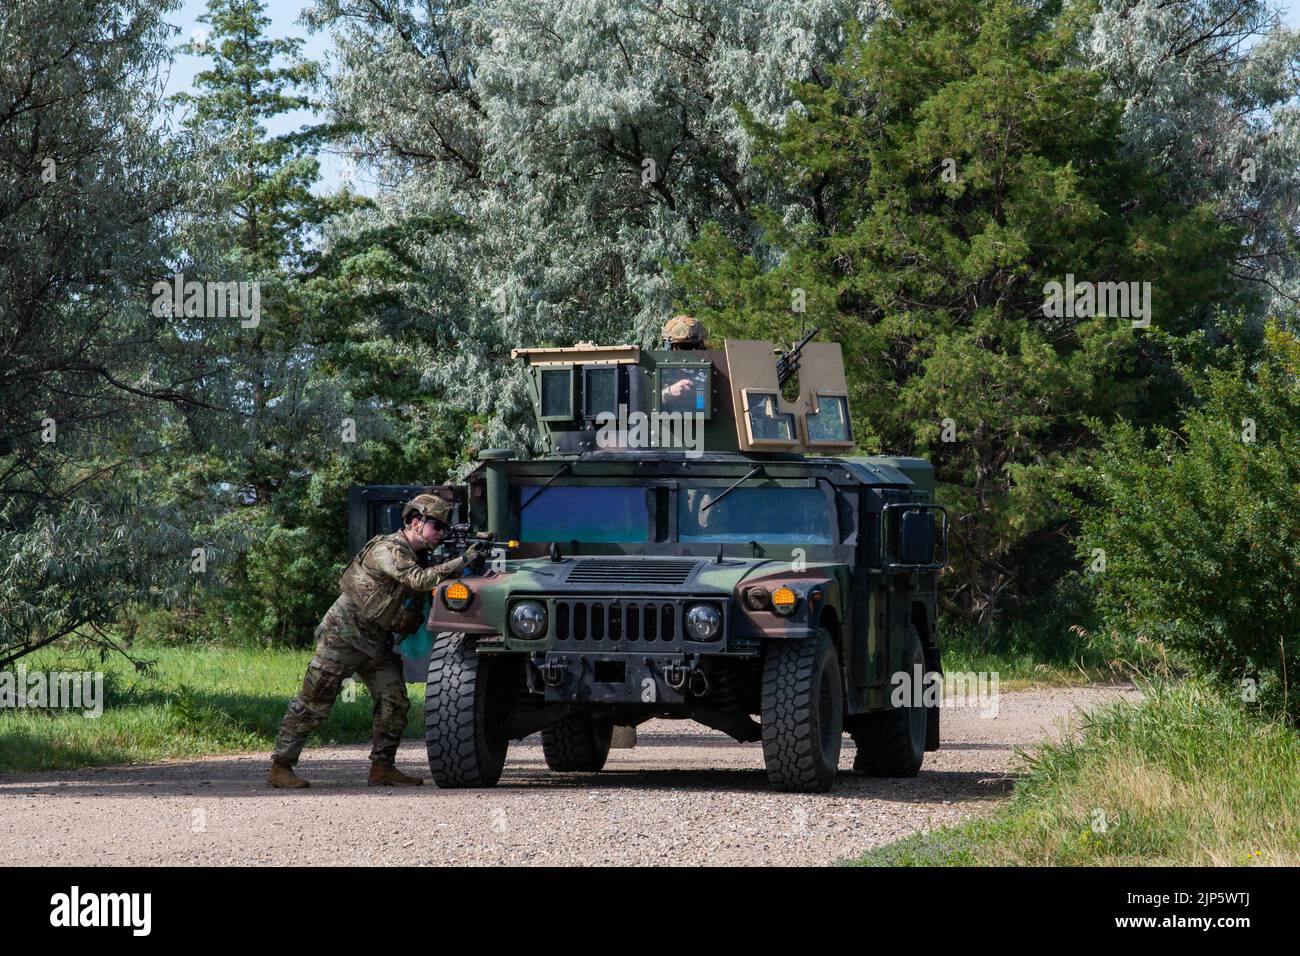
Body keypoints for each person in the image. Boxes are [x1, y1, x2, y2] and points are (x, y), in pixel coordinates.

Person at [267, 494, 485, 788]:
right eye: (437, 526)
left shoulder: (420, 557)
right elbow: (418, 580)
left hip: (376, 643)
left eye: (445, 528)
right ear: (415, 522)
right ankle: (281, 767)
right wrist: (462, 561)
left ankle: (382, 768)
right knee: (314, 701)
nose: (441, 533)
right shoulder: (387, 549)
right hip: (343, 637)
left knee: (394, 701)